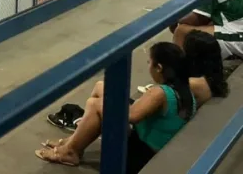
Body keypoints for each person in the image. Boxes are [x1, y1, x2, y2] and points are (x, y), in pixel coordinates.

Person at [36, 42, 196, 171]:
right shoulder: (184, 90)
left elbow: (131, 116)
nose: (148, 67)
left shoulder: (160, 93)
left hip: (143, 155)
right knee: (101, 86)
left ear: (159, 68)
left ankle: (71, 151)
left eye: (149, 63)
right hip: (153, 143)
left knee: (96, 105)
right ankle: (73, 141)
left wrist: (107, 104)